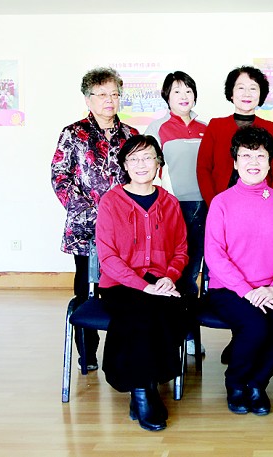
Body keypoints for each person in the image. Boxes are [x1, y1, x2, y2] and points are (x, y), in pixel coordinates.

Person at [204, 126, 273, 416]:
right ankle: (236, 383)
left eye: (260, 156)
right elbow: (214, 255)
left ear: (270, 162)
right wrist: (247, 291)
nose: (253, 162)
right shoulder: (221, 202)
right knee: (256, 326)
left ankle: (258, 383)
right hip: (229, 290)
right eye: (246, 155)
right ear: (235, 162)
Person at [96, 135, 189, 432]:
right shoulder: (111, 202)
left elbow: (181, 250)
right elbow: (107, 257)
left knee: (169, 310)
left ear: (158, 163)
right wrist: (143, 286)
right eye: (134, 159)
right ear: (124, 165)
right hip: (119, 283)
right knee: (141, 313)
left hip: (160, 281)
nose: (141, 164)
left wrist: (169, 277)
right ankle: (143, 390)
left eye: (148, 157)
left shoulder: (170, 203)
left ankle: (143, 389)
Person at [51, 67, 138, 372]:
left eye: (114, 94)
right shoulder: (73, 134)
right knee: (86, 289)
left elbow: (139, 179)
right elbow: (60, 177)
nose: (109, 100)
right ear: (88, 99)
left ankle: (122, 349)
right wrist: (95, 213)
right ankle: (86, 353)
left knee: (124, 287)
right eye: (101, 94)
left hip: (126, 229)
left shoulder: (132, 136)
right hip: (86, 228)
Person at [145, 71, 207, 356]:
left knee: (192, 273)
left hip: (203, 208)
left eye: (188, 91)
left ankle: (190, 334)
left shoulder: (206, 127)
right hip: (170, 209)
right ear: (167, 97)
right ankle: (168, 333)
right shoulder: (156, 128)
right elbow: (147, 171)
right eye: (177, 91)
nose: (184, 96)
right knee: (170, 272)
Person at [197, 66, 273, 207]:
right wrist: (214, 203)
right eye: (241, 88)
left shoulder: (271, 128)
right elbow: (203, 169)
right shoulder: (216, 126)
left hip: (263, 202)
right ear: (231, 93)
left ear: (261, 94)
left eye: (253, 88)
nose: (247, 94)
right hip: (223, 202)